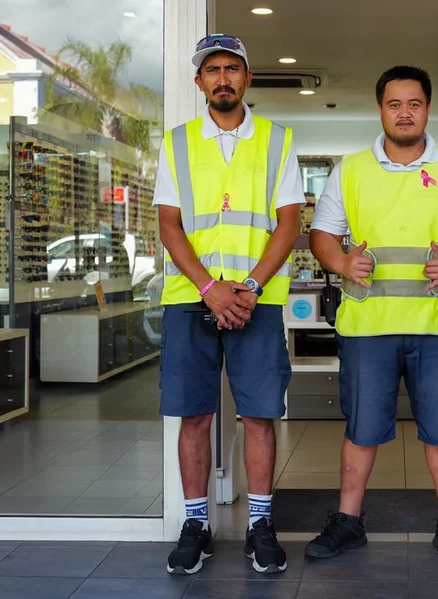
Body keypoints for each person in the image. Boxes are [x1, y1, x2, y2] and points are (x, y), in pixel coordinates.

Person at [306, 65, 438, 561]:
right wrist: (343, 260)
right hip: (369, 327)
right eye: (395, 104)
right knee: (361, 428)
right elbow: (321, 235)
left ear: (427, 108)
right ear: (381, 109)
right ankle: (347, 522)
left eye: (414, 103)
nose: (404, 112)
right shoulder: (350, 169)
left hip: (436, 324)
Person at [154, 33, 304, 575]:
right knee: (194, 416)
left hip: (255, 301)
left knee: (259, 415)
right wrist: (209, 289)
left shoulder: (277, 140)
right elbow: (169, 226)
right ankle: (196, 523)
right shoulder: (176, 143)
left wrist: (251, 287)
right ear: (199, 82)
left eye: (232, 68)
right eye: (212, 70)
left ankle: (259, 522)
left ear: (247, 77)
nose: (222, 78)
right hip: (192, 298)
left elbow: (290, 222)